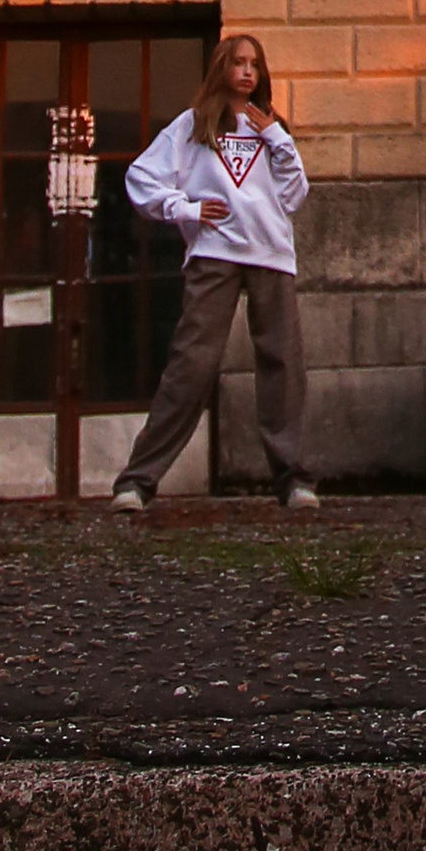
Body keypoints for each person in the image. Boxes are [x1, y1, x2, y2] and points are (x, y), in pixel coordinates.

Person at [108, 31, 317, 510]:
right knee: (192, 364)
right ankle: (137, 482)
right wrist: (186, 208)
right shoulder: (194, 124)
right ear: (222, 67)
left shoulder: (271, 128)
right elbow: (141, 177)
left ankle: (293, 481)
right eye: (238, 62)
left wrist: (277, 138)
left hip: (270, 255)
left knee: (284, 364)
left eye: (255, 64)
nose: (247, 72)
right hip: (215, 254)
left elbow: (293, 196)